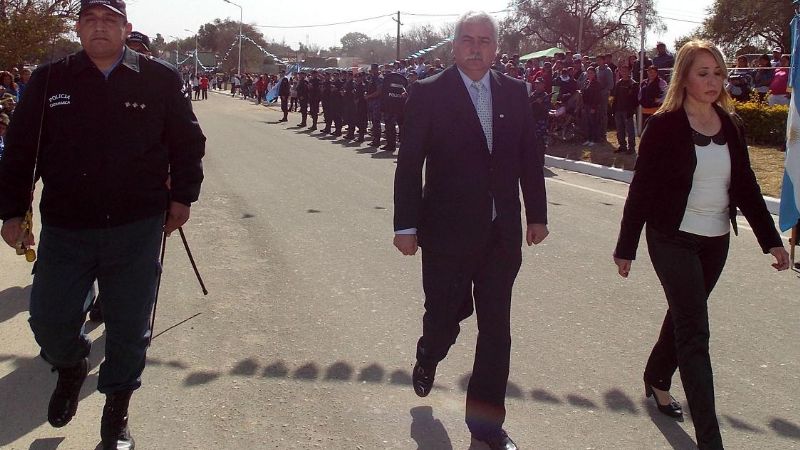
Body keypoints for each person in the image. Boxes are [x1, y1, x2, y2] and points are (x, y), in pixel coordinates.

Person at [0, 1, 206, 448]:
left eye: (109, 20)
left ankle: (117, 412)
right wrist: (13, 211)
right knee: (48, 321)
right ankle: (71, 365)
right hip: (67, 225)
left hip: (135, 225)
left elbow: (187, 142)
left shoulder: (158, 78)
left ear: (125, 27)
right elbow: (19, 150)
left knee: (129, 327)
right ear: (77, 28)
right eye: (90, 20)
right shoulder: (50, 79)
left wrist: (182, 196)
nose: (99, 28)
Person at [613, 40, 790, 450]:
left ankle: (657, 376)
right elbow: (640, 190)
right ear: (685, 78)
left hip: (716, 241)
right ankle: (710, 440)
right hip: (671, 237)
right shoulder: (664, 126)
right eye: (703, 73)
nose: (713, 81)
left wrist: (771, 241)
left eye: (718, 73)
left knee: (684, 316)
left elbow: (745, 185)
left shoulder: (731, 125)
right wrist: (626, 247)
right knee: (695, 332)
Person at [393, 11, 548, 450]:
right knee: (443, 317)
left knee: (497, 330)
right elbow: (409, 166)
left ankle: (486, 427)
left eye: (485, 40)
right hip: (445, 234)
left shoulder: (515, 92)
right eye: (467, 39)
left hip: (501, 235)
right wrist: (405, 226)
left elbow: (528, 157)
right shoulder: (427, 93)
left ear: (496, 48)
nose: (476, 48)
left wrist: (536, 214)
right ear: (454, 45)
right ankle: (430, 352)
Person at [611, 65, 639, 154]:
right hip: (618, 110)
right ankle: (622, 146)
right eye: (622, 71)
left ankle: (631, 148)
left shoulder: (633, 84)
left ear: (629, 72)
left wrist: (632, 110)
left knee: (630, 130)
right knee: (619, 130)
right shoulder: (619, 83)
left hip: (628, 111)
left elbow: (635, 99)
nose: (624, 73)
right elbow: (615, 97)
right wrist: (613, 110)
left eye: (625, 71)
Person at [581, 67, 603, 146]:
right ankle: (589, 138)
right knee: (588, 123)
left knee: (594, 123)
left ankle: (594, 139)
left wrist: (593, 107)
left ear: (594, 74)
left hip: (593, 106)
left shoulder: (596, 84)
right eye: (588, 73)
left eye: (591, 73)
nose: (589, 74)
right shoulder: (586, 82)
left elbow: (597, 97)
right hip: (586, 105)